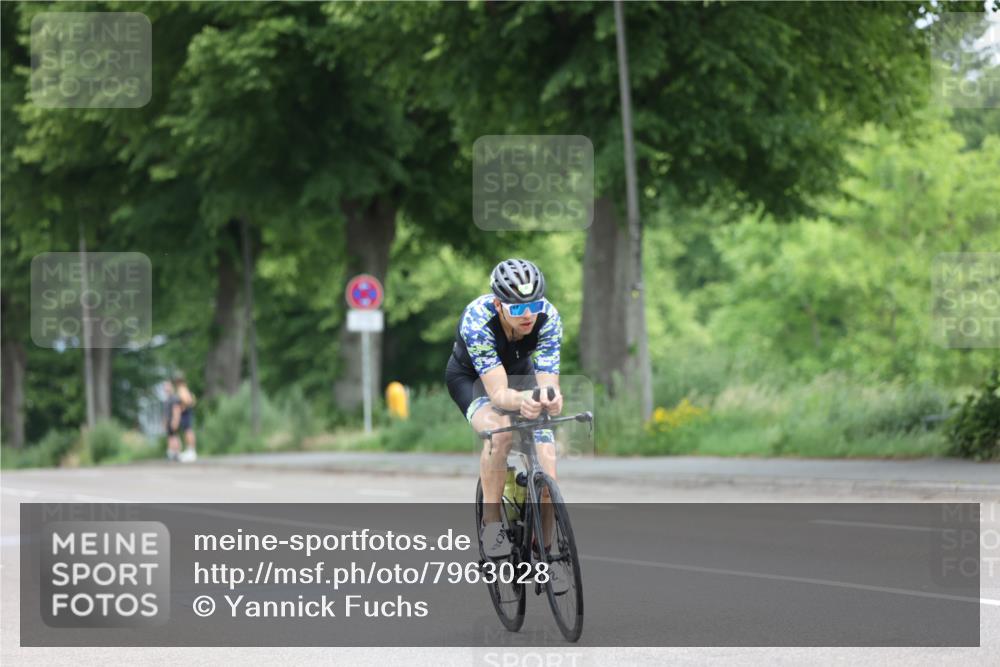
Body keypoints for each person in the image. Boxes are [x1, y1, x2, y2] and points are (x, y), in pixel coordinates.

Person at [444, 258, 568, 592]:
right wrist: (523, 400)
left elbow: (547, 380)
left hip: (520, 374)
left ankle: (549, 555)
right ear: (499, 305)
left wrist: (551, 397)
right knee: (499, 435)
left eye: (534, 305)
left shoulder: (549, 317)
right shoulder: (477, 320)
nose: (528, 315)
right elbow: (498, 393)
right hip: (472, 380)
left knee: (548, 469)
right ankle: (492, 524)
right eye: (517, 308)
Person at [172, 372, 198, 463]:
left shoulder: (182, 389)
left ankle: (191, 451)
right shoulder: (184, 388)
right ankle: (190, 450)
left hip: (185, 413)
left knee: (188, 431)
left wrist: (183, 407)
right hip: (186, 413)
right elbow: (192, 401)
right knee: (187, 431)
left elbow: (189, 401)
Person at [163, 380, 183, 462]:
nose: (166, 388)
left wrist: (176, 420)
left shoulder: (174, 398)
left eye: (168, 386)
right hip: (168, 421)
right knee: (170, 437)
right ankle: (171, 453)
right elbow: (165, 413)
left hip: (173, 420)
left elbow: (177, 410)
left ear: (171, 387)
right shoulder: (166, 399)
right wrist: (164, 422)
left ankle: (177, 453)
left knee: (175, 437)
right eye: (165, 386)